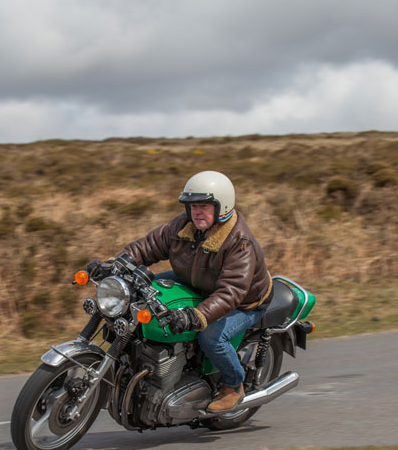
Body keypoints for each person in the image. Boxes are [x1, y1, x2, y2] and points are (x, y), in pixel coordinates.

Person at [100, 170, 272, 412]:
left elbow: (231, 292)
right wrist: (116, 264)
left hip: (245, 301)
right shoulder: (183, 225)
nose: (196, 211)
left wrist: (194, 315)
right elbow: (148, 246)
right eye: (192, 206)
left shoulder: (240, 243)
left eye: (204, 205)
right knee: (139, 294)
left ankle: (234, 385)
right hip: (199, 281)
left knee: (211, 336)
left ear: (222, 207)